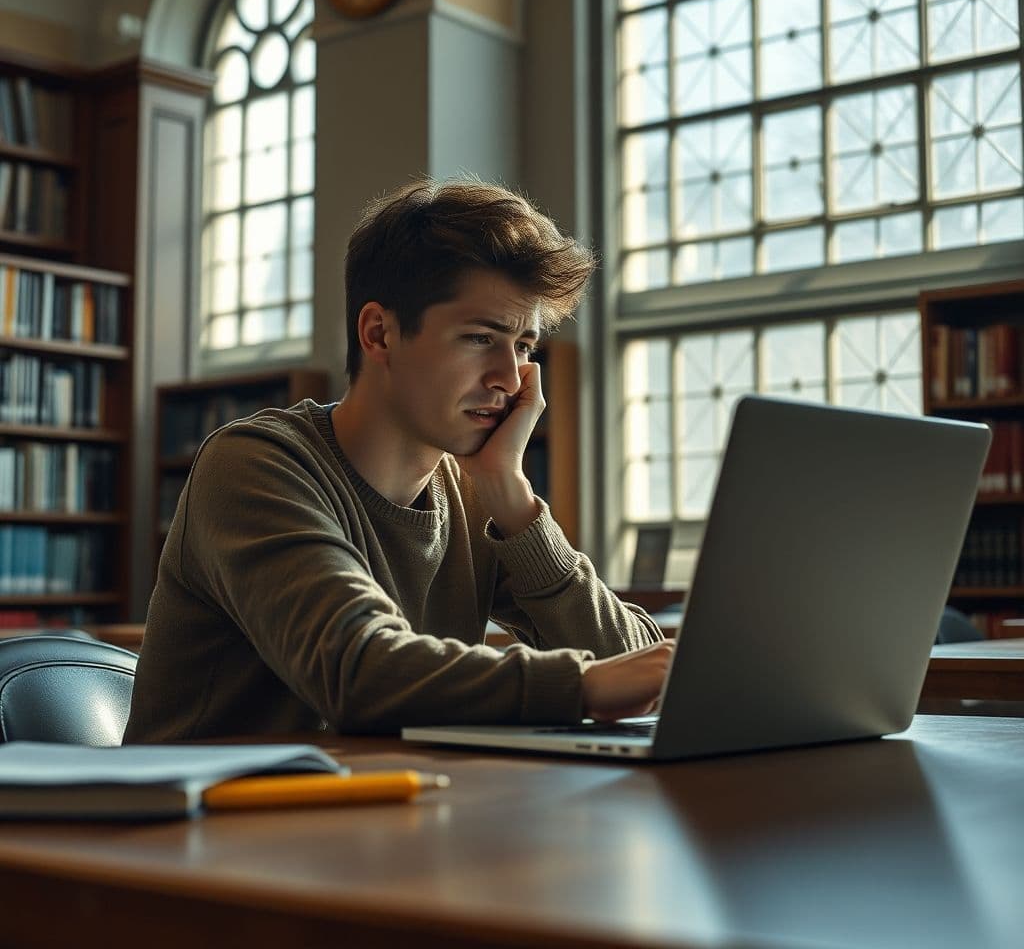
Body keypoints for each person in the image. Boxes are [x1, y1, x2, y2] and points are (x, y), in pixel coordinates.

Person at [124, 179, 672, 742]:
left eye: (525, 347)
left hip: (378, 814)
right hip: (201, 822)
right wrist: (580, 685)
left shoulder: (473, 493)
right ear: (378, 332)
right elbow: (357, 670)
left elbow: (640, 670)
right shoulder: (253, 466)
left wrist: (516, 502)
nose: (510, 380)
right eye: (482, 338)